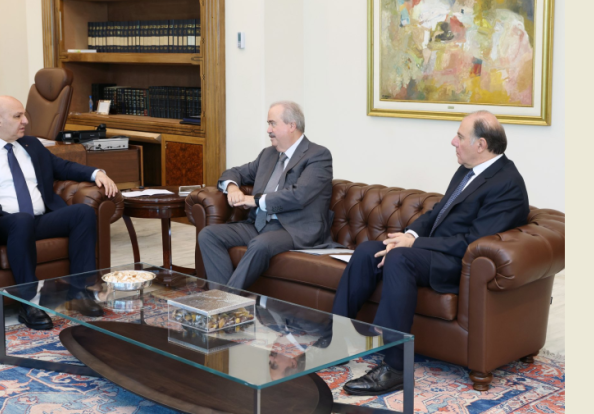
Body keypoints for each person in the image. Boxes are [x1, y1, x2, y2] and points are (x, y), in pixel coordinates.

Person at [332, 110, 529, 396]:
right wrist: (410, 235)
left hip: (459, 264)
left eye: (460, 136)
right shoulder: (468, 169)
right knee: (367, 252)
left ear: (481, 144)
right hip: (433, 253)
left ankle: (395, 368)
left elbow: (473, 242)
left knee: (399, 257)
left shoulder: (507, 184)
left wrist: (414, 245)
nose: (453, 142)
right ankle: (337, 339)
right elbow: (438, 213)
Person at [0, 96, 118, 330]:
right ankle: (28, 303)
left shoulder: (31, 145)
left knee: (82, 213)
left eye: (24, 115)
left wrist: (96, 173)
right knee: (21, 220)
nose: (25, 121)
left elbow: (63, 167)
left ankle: (80, 292)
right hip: (3, 223)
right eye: (18, 116)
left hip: (39, 219)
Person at [197, 101, 338, 290]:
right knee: (208, 235)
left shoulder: (318, 156)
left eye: (272, 123)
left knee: (260, 244)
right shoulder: (268, 155)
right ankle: (222, 300)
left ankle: (225, 302)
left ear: (291, 126)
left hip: (294, 229)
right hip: (258, 224)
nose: (268, 130)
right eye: (268, 124)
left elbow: (299, 195)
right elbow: (234, 172)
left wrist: (255, 200)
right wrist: (232, 188)